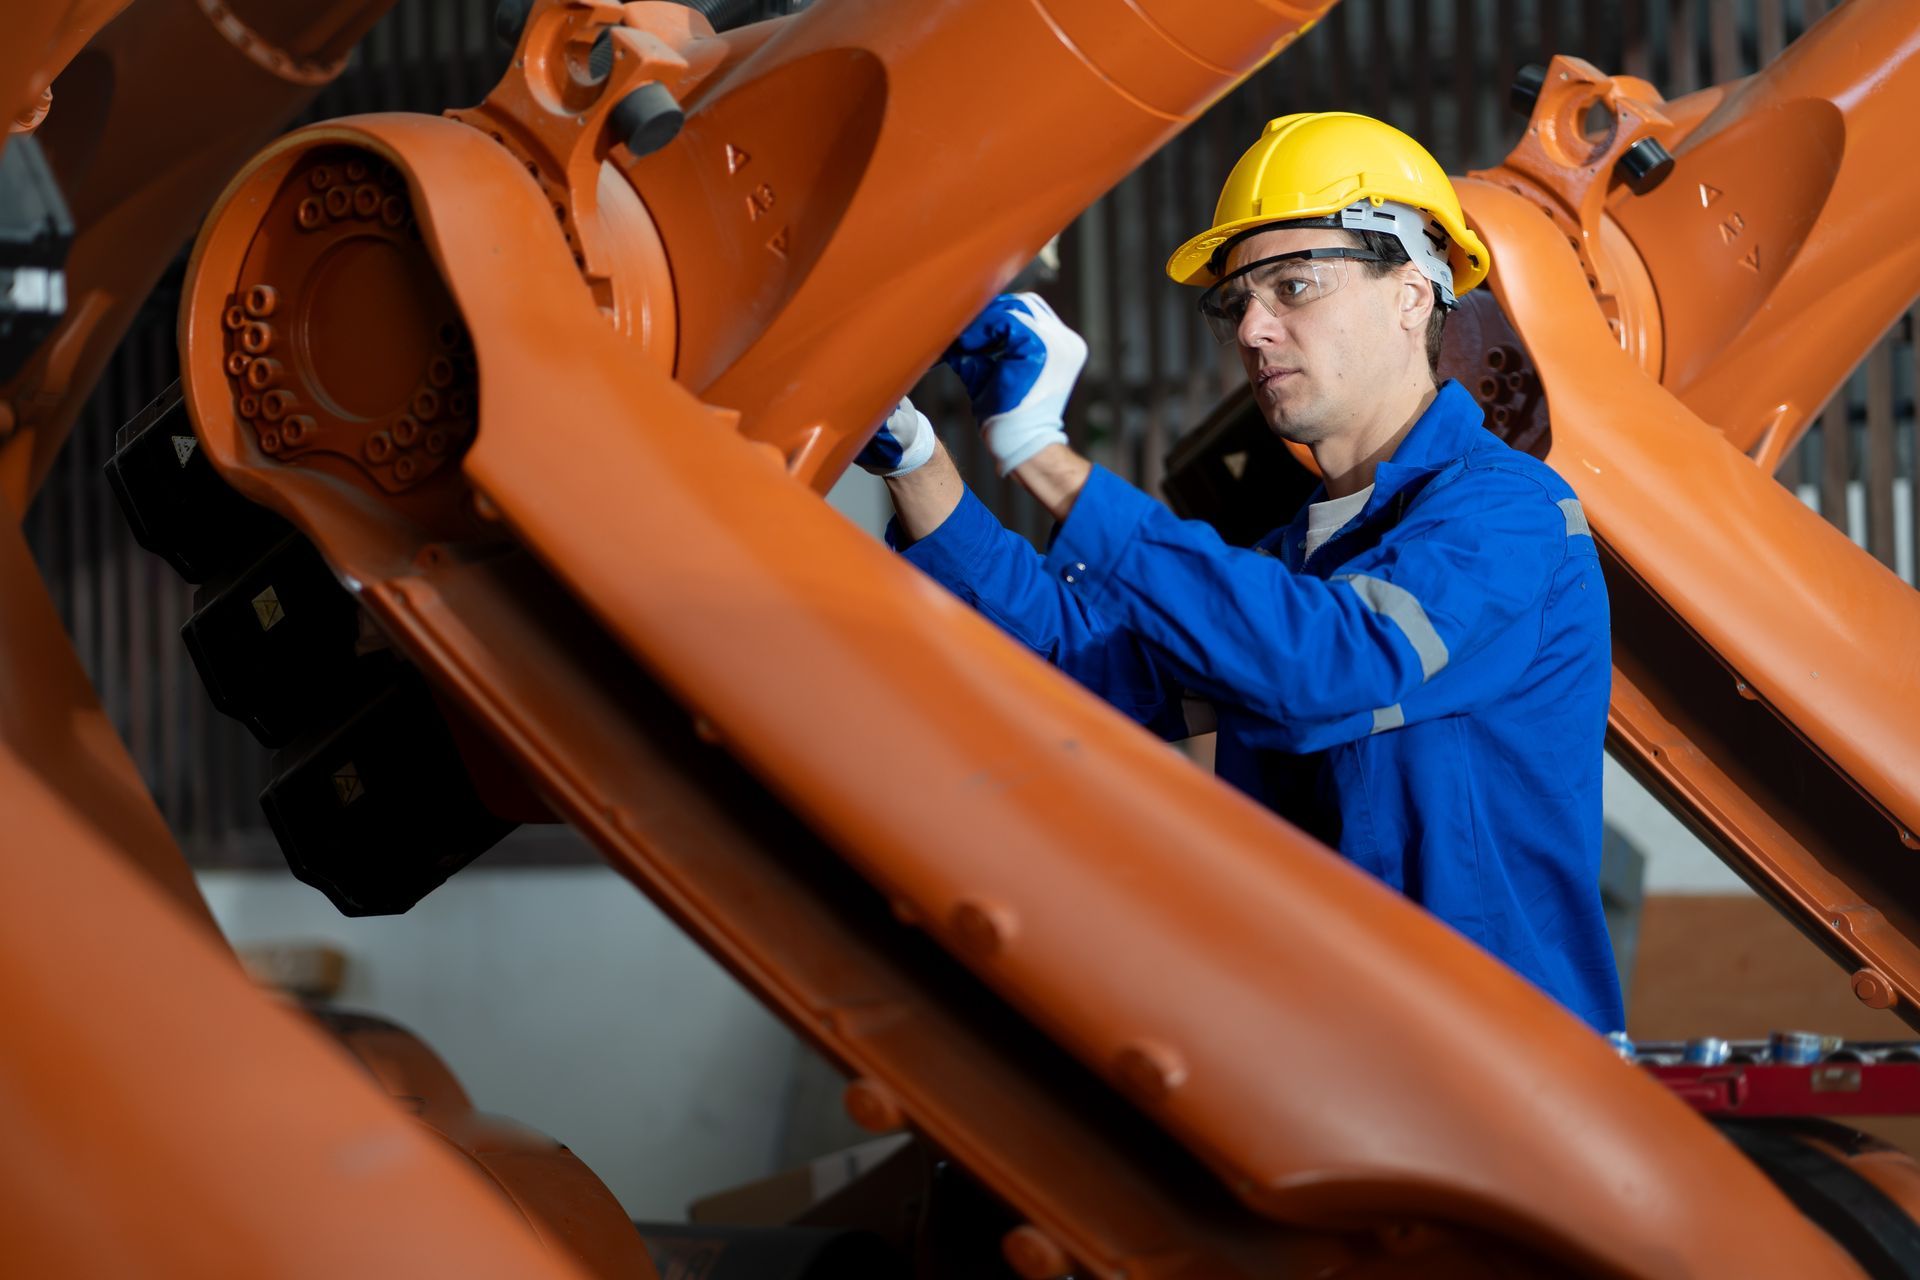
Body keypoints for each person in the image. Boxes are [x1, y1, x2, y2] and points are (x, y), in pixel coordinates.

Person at [857, 112, 1623, 1034]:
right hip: (1327, 1065)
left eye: (1294, 286)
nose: (1254, 330)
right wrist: (918, 460)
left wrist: (1047, 458)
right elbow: (1073, 659)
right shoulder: (1300, 564)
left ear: (1413, 292)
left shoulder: (1511, 515)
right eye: (1237, 303)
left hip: (1504, 1077)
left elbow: (1333, 668)